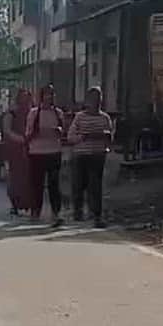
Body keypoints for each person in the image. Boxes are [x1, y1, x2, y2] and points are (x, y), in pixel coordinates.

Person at [66, 86, 115, 228]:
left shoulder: (105, 118)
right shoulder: (80, 117)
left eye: (99, 99)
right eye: (94, 99)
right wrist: (83, 137)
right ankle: (78, 211)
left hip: (98, 155)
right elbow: (71, 137)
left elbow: (110, 137)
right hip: (81, 154)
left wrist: (105, 136)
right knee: (79, 184)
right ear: (88, 101)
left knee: (96, 185)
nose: (97, 102)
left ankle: (96, 214)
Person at [25, 85, 67, 225]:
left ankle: (56, 213)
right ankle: (35, 211)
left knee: (54, 184)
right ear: (41, 97)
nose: (49, 97)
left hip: (54, 151)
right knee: (37, 184)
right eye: (46, 95)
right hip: (37, 152)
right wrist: (36, 133)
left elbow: (64, 132)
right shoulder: (34, 113)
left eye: (51, 95)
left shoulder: (58, 113)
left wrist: (58, 131)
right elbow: (28, 133)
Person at [1, 89, 34, 216]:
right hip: (15, 150)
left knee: (30, 178)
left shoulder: (33, 112)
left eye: (28, 98)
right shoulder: (11, 113)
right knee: (15, 178)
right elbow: (7, 130)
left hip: (30, 149)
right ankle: (14, 204)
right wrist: (21, 139)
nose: (26, 101)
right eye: (23, 98)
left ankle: (30, 204)